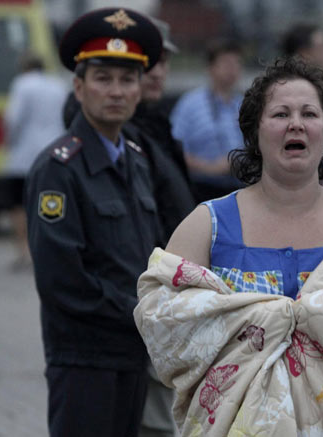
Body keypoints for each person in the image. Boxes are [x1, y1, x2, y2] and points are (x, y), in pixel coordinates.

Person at [133, 57, 323, 436]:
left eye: (309, 114)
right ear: (254, 132)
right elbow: (162, 322)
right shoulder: (208, 223)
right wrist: (278, 321)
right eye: (280, 113)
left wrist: (315, 316)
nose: (296, 123)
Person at [25, 8, 163, 437]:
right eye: (103, 78)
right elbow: (62, 279)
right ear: (78, 87)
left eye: (127, 80)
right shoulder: (59, 168)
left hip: (132, 354)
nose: (117, 91)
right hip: (84, 358)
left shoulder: (136, 161)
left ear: (141, 89)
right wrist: (139, 312)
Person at [121, 17, 194, 437]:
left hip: (171, 296)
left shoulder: (154, 123)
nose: (159, 72)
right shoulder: (121, 134)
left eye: (164, 61)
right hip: (145, 303)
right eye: (149, 62)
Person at [2, 52, 68, 270]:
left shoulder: (23, 84)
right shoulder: (57, 85)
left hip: (25, 154)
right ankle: (49, 250)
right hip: (53, 151)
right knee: (50, 203)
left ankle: (25, 252)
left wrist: (9, 143)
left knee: (18, 204)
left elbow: (15, 118)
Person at [170, 38, 244, 204]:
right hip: (201, 189)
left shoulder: (245, 105)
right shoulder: (190, 104)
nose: (233, 69)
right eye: (227, 63)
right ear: (210, 68)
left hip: (240, 189)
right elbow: (173, 149)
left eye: (237, 63)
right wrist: (209, 168)